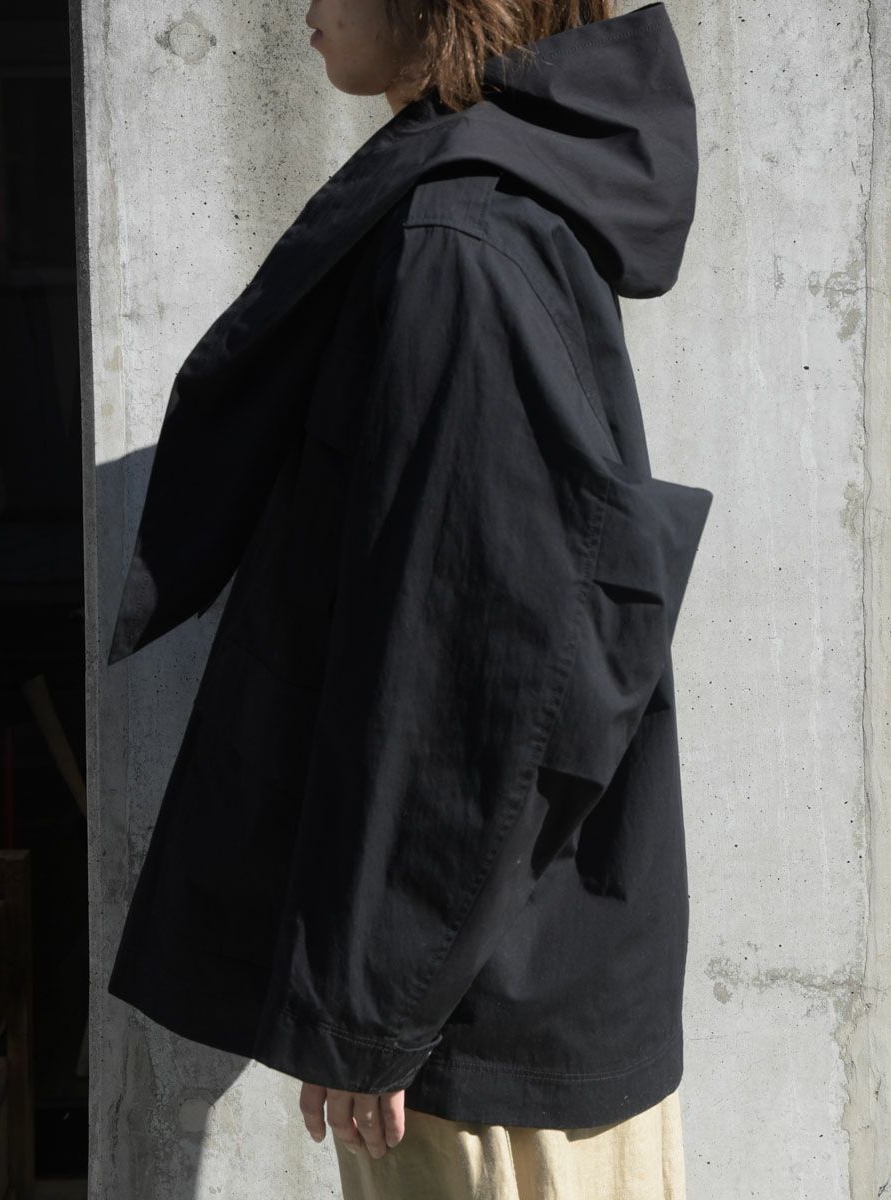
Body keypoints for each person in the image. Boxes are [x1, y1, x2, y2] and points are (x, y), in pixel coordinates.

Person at [104, 0, 712, 1197]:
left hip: (477, 1027)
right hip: (491, 975)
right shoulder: (487, 208)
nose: (307, 9)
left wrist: (374, 1007)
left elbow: (487, 669)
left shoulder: (461, 240)